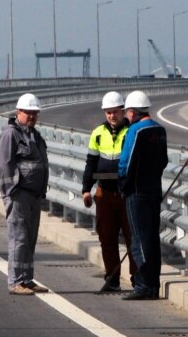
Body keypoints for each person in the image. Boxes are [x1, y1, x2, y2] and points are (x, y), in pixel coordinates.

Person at [0, 93, 50, 296]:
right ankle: (16, 281)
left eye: (35, 113)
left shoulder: (34, 134)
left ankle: (27, 279)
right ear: (18, 112)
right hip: (19, 195)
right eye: (28, 113)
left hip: (34, 196)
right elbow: (4, 164)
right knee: (19, 238)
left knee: (30, 238)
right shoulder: (11, 134)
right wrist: (12, 192)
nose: (32, 116)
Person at [82, 91, 136, 291]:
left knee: (132, 238)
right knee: (107, 238)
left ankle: (136, 280)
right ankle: (112, 279)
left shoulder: (131, 132)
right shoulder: (97, 133)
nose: (112, 116)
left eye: (115, 112)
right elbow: (91, 163)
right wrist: (86, 189)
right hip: (103, 194)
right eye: (108, 112)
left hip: (126, 193)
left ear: (122, 111)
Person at [117, 90, 168, 301]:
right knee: (152, 237)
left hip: (136, 192)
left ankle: (143, 285)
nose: (127, 117)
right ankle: (154, 284)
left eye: (128, 112)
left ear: (133, 111)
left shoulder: (135, 131)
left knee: (138, 239)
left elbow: (125, 163)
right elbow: (163, 161)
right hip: (154, 190)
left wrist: (123, 185)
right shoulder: (160, 130)